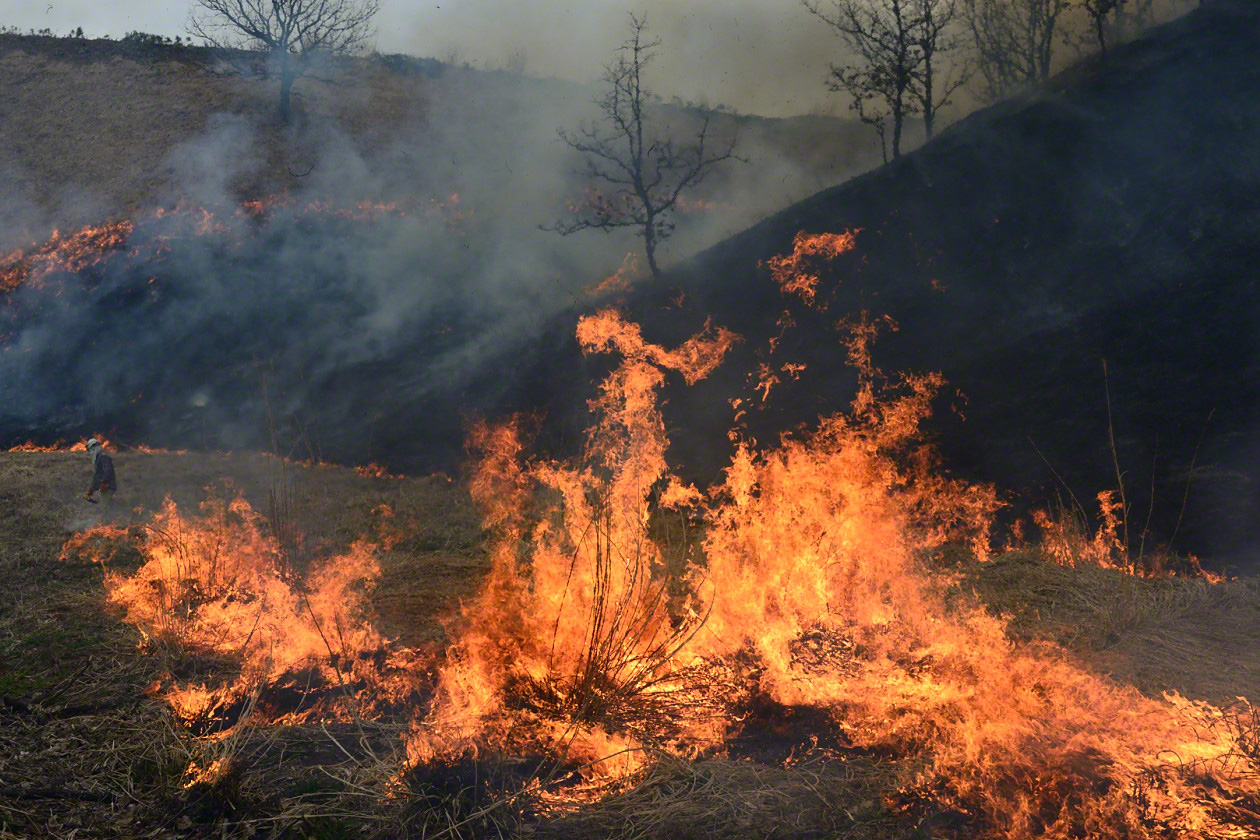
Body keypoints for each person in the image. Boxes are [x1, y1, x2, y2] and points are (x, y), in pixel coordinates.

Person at [84, 438, 117, 503]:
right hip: (103, 490)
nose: (90, 452)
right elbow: (97, 476)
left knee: (104, 509)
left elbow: (108, 470)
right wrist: (91, 490)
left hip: (108, 488)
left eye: (91, 450)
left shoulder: (103, 457)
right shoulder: (98, 459)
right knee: (103, 507)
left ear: (95, 448)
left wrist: (104, 482)